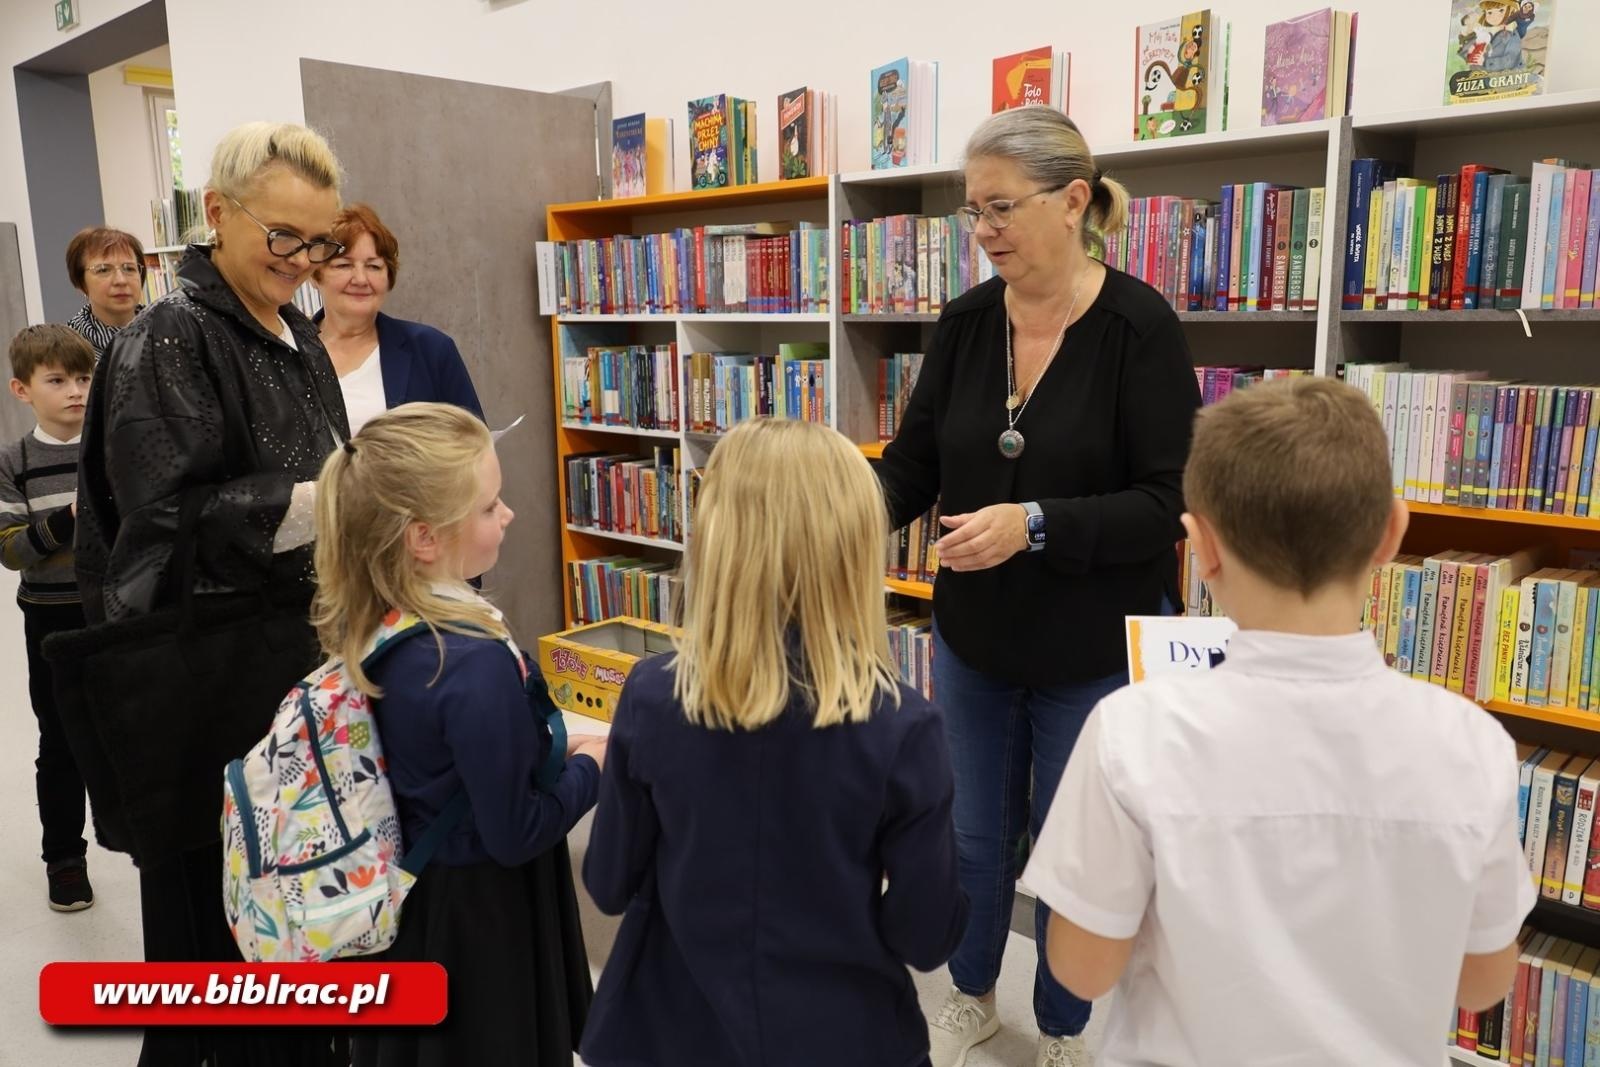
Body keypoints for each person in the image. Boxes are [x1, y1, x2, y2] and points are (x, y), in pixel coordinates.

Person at [1025, 377, 1536, 1064]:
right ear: (1391, 531)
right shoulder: (1473, 744)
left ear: (1200, 547)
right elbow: (1483, 982)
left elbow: (1083, 970)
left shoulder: (1132, 731)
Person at [873, 105, 1201, 1067]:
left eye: (1002, 207)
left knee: (1071, 860)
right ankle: (971, 990)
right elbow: (913, 465)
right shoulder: (967, 321)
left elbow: (1170, 500)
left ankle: (1061, 1025)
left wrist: (1037, 524)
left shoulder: (1140, 327)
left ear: (1073, 201)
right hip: (975, 638)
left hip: (1092, 648)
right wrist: (831, 511)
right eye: (974, 211)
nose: (986, 231)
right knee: (973, 836)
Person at [73, 121, 350, 1067]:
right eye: (285, 238)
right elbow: (160, 527)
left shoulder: (295, 332)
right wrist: (326, 502)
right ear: (218, 213)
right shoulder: (169, 337)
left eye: (320, 242)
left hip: (284, 676)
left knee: (281, 934)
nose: (305, 263)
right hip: (210, 688)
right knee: (213, 958)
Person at [581, 418, 967, 1067]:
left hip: (669, 1031)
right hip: (847, 1034)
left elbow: (609, 881)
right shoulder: (905, 726)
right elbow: (925, 936)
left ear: (715, 542)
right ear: (854, 546)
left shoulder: (652, 696)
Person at [312, 403, 603, 1067]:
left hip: (408, 899)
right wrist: (592, 766)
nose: (508, 515)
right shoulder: (470, 664)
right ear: (423, 537)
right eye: (488, 507)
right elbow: (516, 830)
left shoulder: (378, 623)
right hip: (479, 927)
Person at [1, 325, 97, 911]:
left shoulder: (113, 447)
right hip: (52, 623)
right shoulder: (14, 461)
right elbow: (10, 548)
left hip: (117, 612)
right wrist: (69, 518)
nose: (75, 391)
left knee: (134, 727)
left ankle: (153, 844)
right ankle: (64, 858)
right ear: (22, 389)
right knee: (60, 742)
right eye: (57, 380)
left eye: (83, 378)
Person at [312, 203, 483, 435]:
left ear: (388, 276)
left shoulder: (432, 350)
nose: (361, 279)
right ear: (315, 275)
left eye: (373, 266)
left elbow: (474, 445)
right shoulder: (288, 354)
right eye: (344, 265)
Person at [63, 226, 147, 356]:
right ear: (81, 283)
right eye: (103, 270)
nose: (121, 281)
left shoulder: (170, 331)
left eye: (129, 269)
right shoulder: (65, 348)